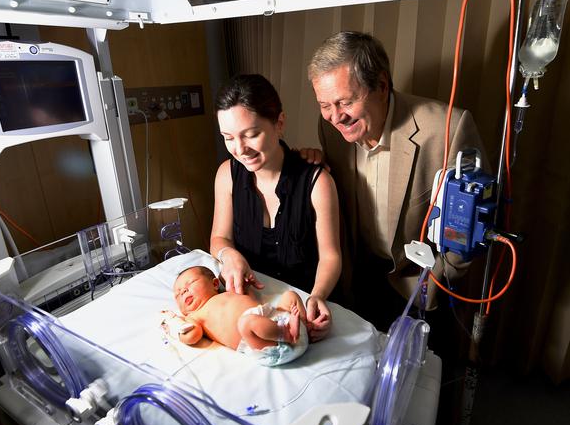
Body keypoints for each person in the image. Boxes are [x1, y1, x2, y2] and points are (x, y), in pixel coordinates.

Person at [306, 31, 487, 333]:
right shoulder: (331, 130)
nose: (335, 117)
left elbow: (467, 227)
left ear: (381, 85)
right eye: (325, 105)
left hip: (419, 281)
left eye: (345, 102)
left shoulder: (448, 128)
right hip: (359, 275)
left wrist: (441, 278)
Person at [210, 74, 341, 342]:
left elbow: (331, 257)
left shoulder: (318, 182)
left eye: (251, 135)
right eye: (228, 137)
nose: (239, 149)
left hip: (302, 304)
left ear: (279, 123)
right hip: (252, 309)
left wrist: (317, 295)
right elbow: (218, 238)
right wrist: (227, 254)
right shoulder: (227, 175)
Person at [164, 266, 308, 367]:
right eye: (178, 294)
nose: (183, 291)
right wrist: (175, 324)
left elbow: (253, 302)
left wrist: (247, 287)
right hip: (265, 345)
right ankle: (287, 334)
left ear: (215, 283)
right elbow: (191, 336)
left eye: (190, 283)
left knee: (291, 296)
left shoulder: (229, 293)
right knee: (246, 323)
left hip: (275, 319)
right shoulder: (194, 316)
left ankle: (307, 327)